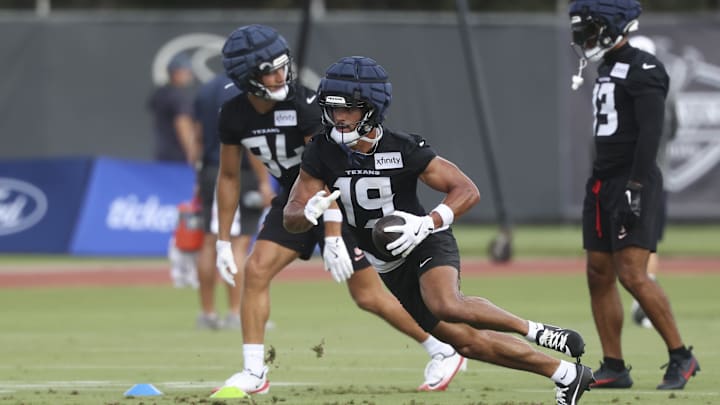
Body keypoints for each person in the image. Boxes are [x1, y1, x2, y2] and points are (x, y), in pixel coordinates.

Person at [283, 55, 594, 405]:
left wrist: (427, 222)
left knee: (446, 303)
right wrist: (308, 212)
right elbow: (291, 216)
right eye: (333, 108)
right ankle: (566, 374)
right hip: (387, 263)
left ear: (371, 109)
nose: (339, 117)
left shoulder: (403, 147)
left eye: (349, 109)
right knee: (465, 342)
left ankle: (536, 330)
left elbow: (466, 190)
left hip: (422, 239)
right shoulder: (320, 152)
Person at [213, 24, 467, 394]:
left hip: (340, 200)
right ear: (245, 77)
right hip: (295, 204)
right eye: (269, 70)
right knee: (256, 269)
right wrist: (223, 240)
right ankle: (254, 373)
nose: (280, 75)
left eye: (283, 66)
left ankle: (442, 349)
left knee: (367, 296)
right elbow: (228, 177)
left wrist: (333, 234)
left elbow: (330, 170)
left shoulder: (304, 107)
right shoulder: (233, 114)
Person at [569, 0, 700, 390]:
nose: (584, 38)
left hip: (631, 181)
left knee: (632, 274)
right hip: (601, 182)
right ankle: (615, 365)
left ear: (611, 28)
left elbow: (651, 134)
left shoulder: (645, 67)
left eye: (590, 29)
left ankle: (681, 356)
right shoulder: (606, 66)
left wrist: (636, 187)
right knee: (598, 273)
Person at [193, 73, 274, 329]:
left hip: (208, 169)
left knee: (210, 241)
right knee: (237, 244)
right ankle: (236, 313)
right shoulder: (242, 93)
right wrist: (263, 182)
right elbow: (250, 142)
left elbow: (197, 137)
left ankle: (207, 313)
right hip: (236, 172)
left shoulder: (205, 90)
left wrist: (199, 174)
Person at [626, 35, 676, 329]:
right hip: (653, 176)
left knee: (637, 243)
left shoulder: (616, 85)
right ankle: (642, 302)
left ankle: (642, 302)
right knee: (648, 243)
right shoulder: (665, 89)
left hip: (630, 177)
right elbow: (672, 129)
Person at [148, 53, 199, 164]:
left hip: (163, 155)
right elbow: (183, 125)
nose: (190, 75)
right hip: (179, 158)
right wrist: (193, 154)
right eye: (187, 72)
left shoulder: (161, 93)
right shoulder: (177, 97)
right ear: (176, 73)